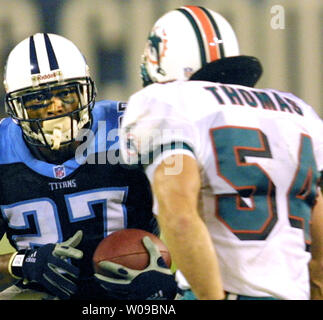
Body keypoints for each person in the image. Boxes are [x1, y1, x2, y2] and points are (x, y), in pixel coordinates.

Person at [0, 33, 177, 300]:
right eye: (38, 100)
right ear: (15, 105)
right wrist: (23, 263)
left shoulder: (130, 131)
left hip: (135, 289)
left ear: (86, 90)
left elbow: (194, 217)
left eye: (65, 94)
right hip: (41, 291)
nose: (55, 108)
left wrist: (172, 278)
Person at [120, 5, 323, 300]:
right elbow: (319, 241)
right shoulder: (299, 112)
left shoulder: (166, 101)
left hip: (219, 292)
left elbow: (180, 217)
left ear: (160, 61)